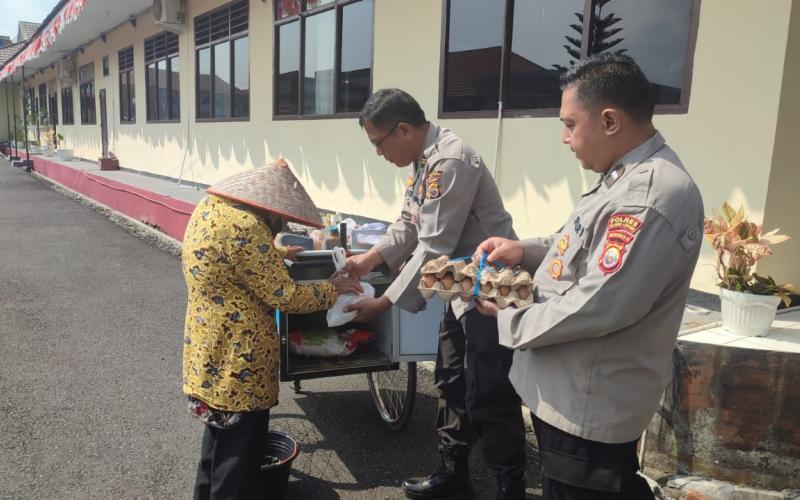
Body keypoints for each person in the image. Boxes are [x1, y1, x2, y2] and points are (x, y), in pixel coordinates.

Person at [474, 54, 704, 500]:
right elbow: (576, 243)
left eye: (570, 124)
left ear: (610, 121)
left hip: (589, 405)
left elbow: (601, 302)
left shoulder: (650, 194)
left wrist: (509, 321)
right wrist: (525, 250)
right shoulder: (622, 178)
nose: (564, 138)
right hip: (568, 391)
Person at [342, 89, 527, 499]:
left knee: (489, 391)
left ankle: (508, 486)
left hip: (490, 287)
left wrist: (385, 303)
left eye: (378, 142)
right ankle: (453, 471)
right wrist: (369, 259)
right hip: (458, 285)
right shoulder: (425, 161)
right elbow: (409, 224)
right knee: (451, 379)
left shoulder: (451, 161)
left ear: (404, 130)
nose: (377, 153)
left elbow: (433, 245)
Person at [181, 160, 362, 500]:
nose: (278, 229)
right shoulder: (247, 228)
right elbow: (285, 296)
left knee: (216, 446)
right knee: (237, 460)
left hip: (207, 349)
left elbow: (230, 257)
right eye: (279, 225)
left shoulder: (211, 209)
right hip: (239, 361)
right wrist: (332, 288)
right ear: (271, 211)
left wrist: (274, 252)